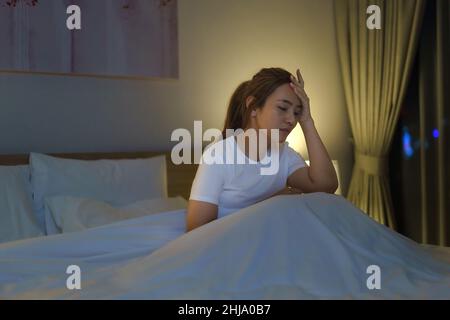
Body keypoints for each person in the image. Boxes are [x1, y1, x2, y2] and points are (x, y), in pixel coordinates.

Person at [186, 67, 338, 232]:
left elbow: (326, 186)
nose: (291, 120)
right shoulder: (217, 156)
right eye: (282, 108)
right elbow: (197, 231)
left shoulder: (285, 155)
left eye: (297, 112)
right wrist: (268, 204)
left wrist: (307, 120)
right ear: (253, 106)